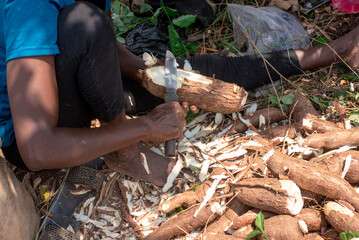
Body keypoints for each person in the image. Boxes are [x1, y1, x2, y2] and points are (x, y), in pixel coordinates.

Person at [0, 0, 358, 188]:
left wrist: (146, 74)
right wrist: (145, 129)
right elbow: (37, 149)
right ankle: (123, 151)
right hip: (29, 135)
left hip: (71, 86)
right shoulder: (27, 6)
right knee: (85, 21)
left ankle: (334, 51)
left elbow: (102, 47)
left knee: (193, 70)